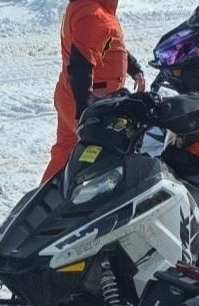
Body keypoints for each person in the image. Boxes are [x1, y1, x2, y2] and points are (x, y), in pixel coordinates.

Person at [46, 0, 148, 182]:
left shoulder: (94, 8)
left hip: (71, 94)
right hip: (91, 102)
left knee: (65, 154)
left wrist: (133, 68)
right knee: (98, 161)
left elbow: (109, 45)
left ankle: (44, 196)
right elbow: (81, 65)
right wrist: (82, 112)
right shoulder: (93, 14)